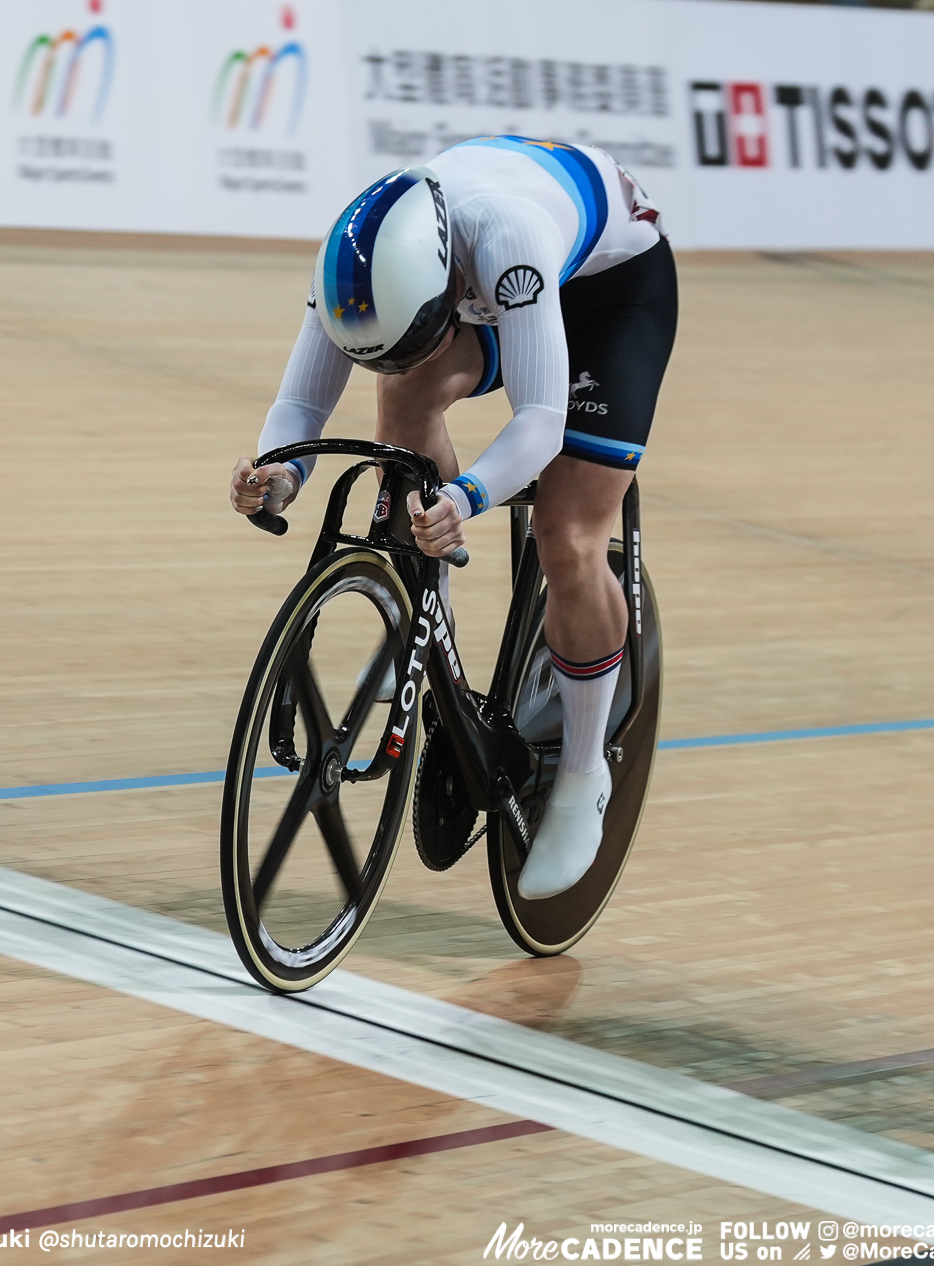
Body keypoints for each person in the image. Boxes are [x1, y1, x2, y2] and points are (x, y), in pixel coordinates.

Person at [228, 135, 677, 900]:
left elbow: (539, 421)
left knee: (566, 537)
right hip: (485, 290)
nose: (393, 357)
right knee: (403, 393)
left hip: (612, 289)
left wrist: (466, 496)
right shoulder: (354, 259)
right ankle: (421, 613)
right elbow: (302, 400)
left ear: (445, 288)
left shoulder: (508, 235)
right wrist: (282, 469)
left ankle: (581, 772)